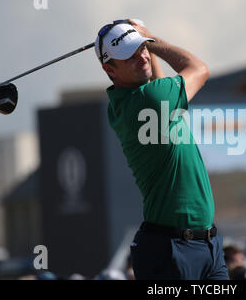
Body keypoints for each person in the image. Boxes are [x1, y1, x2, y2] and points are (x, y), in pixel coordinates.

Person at [95, 19, 228, 280]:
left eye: (142, 48)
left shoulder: (133, 100)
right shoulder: (149, 100)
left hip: (205, 245)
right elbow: (198, 69)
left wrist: (144, 40)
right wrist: (153, 38)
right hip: (172, 249)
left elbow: (158, 80)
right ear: (110, 69)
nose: (142, 57)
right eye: (130, 57)